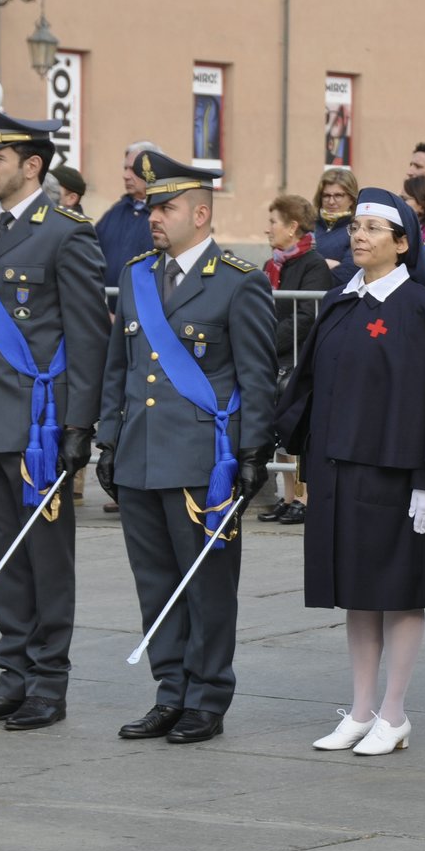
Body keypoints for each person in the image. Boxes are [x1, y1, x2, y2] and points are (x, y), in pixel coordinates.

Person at [96, 150, 278, 745]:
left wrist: (253, 453)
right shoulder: (136, 275)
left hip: (205, 461)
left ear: (200, 214)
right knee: (155, 583)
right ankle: (168, 692)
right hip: (140, 456)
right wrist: (107, 441)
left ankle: (207, 696)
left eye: (167, 207)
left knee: (205, 585)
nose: (154, 217)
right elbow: (118, 369)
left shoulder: (238, 281)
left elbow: (256, 377)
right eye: (151, 207)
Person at [275, 188, 425, 755]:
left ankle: (394, 711)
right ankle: (360, 709)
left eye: (375, 229)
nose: (359, 236)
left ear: (402, 244)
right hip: (336, 468)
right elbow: (306, 383)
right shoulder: (339, 300)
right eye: (356, 226)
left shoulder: (421, 311)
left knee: (398, 592)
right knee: (356, 592)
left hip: (396, 475)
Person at [0, 104, 109, 730]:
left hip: (40, 426)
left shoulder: (65, 231)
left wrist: (78, 429)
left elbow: (88, 339)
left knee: (44, 555)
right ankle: (11, 673)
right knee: (0, 556)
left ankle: (48, 680)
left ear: (31, 165)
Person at [257, 194, 333, 527]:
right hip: (275, 356)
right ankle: (288, 498)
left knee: (296, 431)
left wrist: (268, 340)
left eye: (273, 222)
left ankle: (304, 497)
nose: (268, 229)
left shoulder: (312, 264)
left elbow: (306, 315)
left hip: (297, 357)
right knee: (280, 433)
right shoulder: (274, 263)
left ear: (292, 227)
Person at [96, 140, 162, 303]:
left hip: (148, 316)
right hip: (108, 316)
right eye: (125, 168)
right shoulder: (114, 213)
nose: (125, 176)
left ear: (152, 170)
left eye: (133, 169)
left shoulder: (164, 216)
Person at [312, 167, 358, 286]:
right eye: (326, 195)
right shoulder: (309, 225)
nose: (331, 202)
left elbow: (348, 273)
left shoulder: (357, 230)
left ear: (351, 199)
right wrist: (327, 264)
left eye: (338, 195)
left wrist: (312, 271)